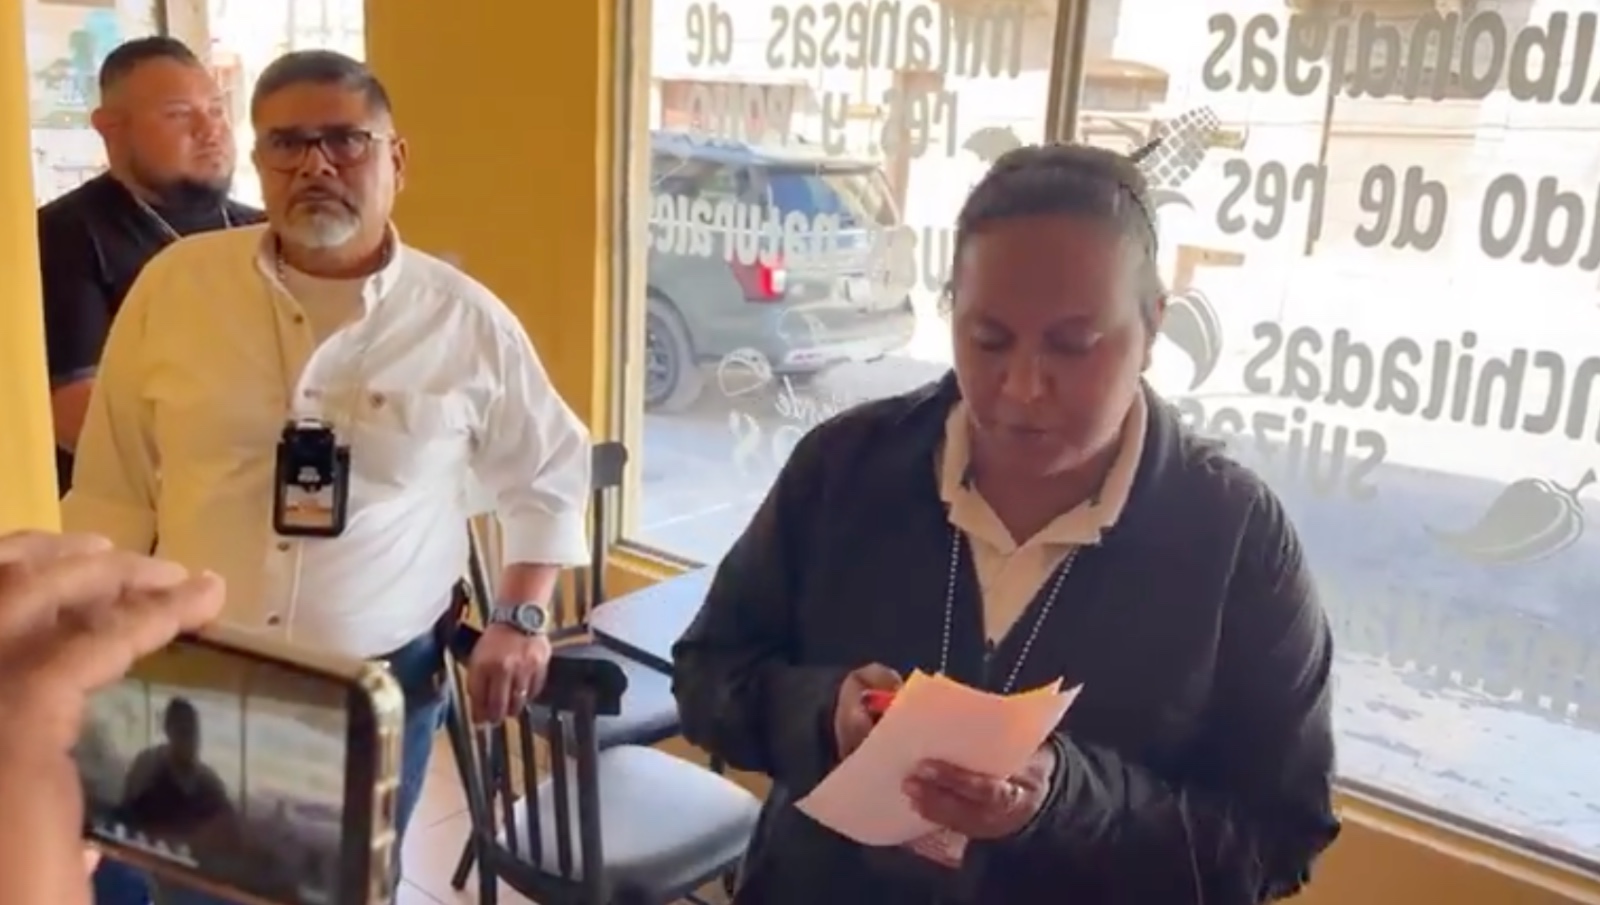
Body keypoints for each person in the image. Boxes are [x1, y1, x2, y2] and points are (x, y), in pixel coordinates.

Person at [672, 144, 1342, 903]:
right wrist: (825, 716)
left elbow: (1278, 837)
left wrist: (1065, 800)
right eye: (987, 340)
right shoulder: (845, 469)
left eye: (1073, 345)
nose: (1022, 387)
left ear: (1153, 326)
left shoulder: (1236, 541)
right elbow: (708, 672)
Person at [63, 49, 590, 901]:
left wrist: (521, 616)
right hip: (199, 683)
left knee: (345, 892)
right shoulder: (175, 290)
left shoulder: (464, 322)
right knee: (193, 890)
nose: (315, 165)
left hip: (376, 692)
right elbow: (113, 485)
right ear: (259, 159)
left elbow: (552, 470)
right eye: (286, 143)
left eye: (345, 140)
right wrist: (92, 645)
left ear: (397, 160)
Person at [38, 36, 262, 497]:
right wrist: (220, 477)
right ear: (110, 128)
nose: (209, 130)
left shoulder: (262, 230)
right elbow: (74, 407)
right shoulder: (65, 234)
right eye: (178, 114)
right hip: (136, 509)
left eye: (216, 110)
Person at [0, 529, 226, 905]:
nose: (185, 735)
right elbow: (124, 814)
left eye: (188, 729)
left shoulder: (208, 783)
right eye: (180, 726)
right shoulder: (150, 764)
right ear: (170, 729)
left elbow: (222, 840)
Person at [117, 698, 237, 840]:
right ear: (168, 732)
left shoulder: (209, 783)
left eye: (194, 733)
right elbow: (125, 817)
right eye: (183, 732)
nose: (191, 741)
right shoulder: (146, 768)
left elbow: (231, 825)